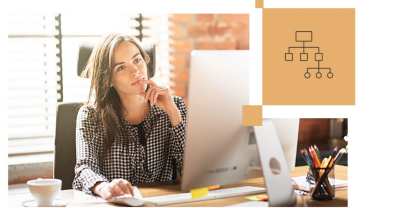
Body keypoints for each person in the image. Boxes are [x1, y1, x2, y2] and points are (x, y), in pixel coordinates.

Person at [72, 33, 187, 200]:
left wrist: (173, 112)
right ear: (108, 79)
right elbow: (84, 168)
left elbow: (193, 171)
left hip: (161, 203)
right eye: (121, 67)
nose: (135, 71)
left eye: (137, 60)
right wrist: (105, 188)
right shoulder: (91, 115)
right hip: (115, 204)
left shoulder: (173, 106)